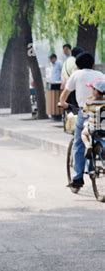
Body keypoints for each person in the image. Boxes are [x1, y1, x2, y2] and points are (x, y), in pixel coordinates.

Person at [59, 53, 105, 192]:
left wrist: (62, 103)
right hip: (102, 113)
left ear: (77, 65)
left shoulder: (76, 75)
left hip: (86, 113)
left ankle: (78, 177)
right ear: (92, 64)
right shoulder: (100, 74)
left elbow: (64, 94)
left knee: (79, 142)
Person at [80, 79, 105, 157]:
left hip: (93, 129)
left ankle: (88, 145)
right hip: (104, 129)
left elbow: (84, 113)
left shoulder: (89, 102)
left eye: (92, 89)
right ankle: (97, 146)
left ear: (95, 91)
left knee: (83, 133)